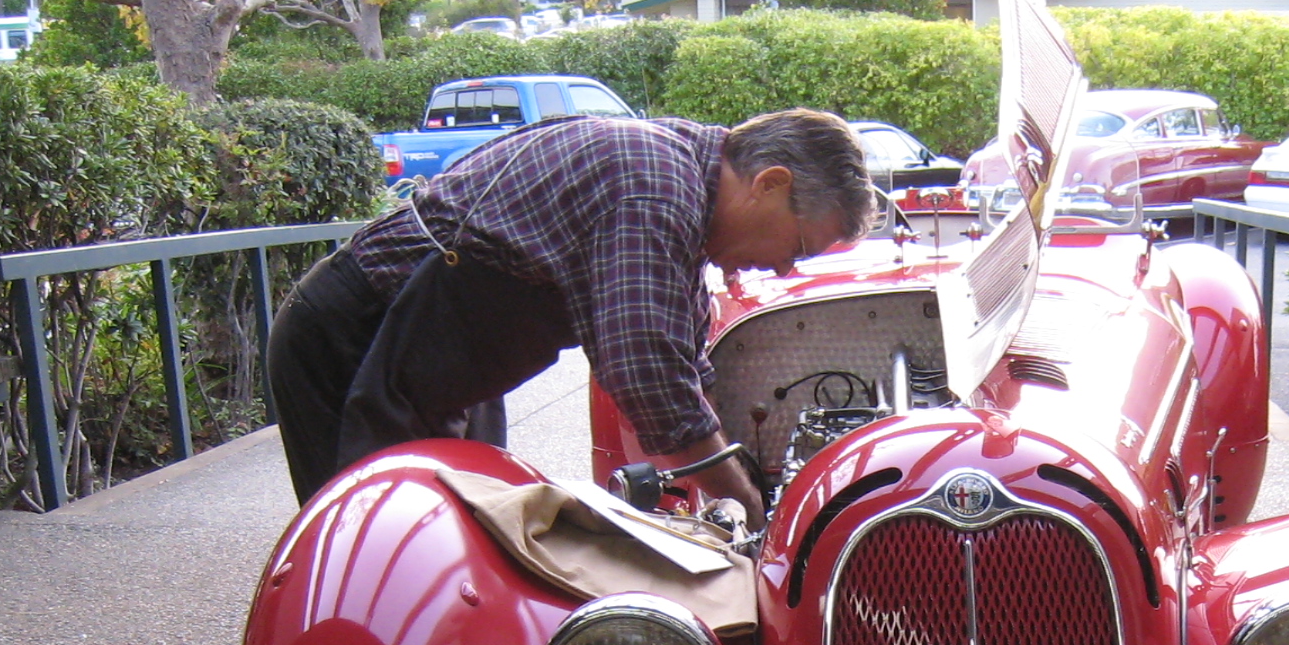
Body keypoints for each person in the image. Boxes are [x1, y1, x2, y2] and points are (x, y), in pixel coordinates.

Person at [268, 107, 873, 525]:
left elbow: (684, 367)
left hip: (443, 354)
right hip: (355, 338)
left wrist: (735, 464)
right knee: (374, 555)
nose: (785, 272)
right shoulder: (654, 187)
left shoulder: (683, 189)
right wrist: (749, 504)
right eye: (797, 248)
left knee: (463, 537)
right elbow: (646, 371)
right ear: (768, 183)